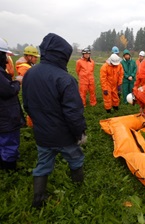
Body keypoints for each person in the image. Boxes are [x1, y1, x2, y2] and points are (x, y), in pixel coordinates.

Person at [22, 33, 87, 208]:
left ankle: (38, 199)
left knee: (43, 164)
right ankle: (79, 188)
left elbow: (26, 105)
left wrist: (40, 123)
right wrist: (80, 132)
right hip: (64, 135)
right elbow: (74, 113)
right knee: (75, 158)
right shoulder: (65, 79)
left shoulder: (29, 74)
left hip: (42, 134)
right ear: (63, 56)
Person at [0, 38, 24, 171]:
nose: (6, 59)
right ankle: (10, 169)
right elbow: (8, 90)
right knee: (9, 142)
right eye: (4, 55)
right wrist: (17, 82)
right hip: (5, 117)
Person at [15, 45, 40, 127]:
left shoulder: (28, 66)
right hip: (31, 92)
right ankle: (31, 126)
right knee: (33, 109)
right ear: (29, 56)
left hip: (32, 91)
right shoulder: (24, 68)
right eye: (35, 57)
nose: (36, 59)